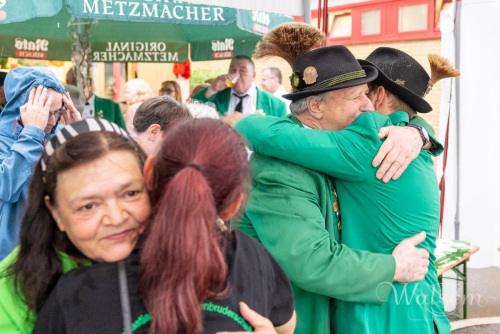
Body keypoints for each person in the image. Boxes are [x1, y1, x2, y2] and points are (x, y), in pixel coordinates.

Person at [234, 24, 453, 333]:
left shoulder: (366, 143)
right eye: (355, 97)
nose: (367, 108)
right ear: (315, 107)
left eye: (367, 95)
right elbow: (312, 260)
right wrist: (394, 267)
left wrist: (418, 133)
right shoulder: (280, 169)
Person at [0, 119, 289, 334]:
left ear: (151, 180)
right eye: (88, 206)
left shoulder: (188, 250)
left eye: (130, 194)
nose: (115, 217)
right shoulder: (12, 291)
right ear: (55, 211)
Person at [0, 67, 81, 261]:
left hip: (57, 250)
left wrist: (80, 134)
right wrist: (31, 134)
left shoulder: (60, 133)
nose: (52, 121)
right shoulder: (5, 138)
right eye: (44, 112)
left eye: (56, 112)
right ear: (21, 108)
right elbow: (6, 189)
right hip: (13, 256)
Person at [193, 55, 287, 126]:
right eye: (233, 70)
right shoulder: (218, 96)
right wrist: (213, 88)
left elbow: (282, 135)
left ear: (253, 75)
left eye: (242, 70)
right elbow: (193, 109)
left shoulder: (276, 104)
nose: (236, 74)